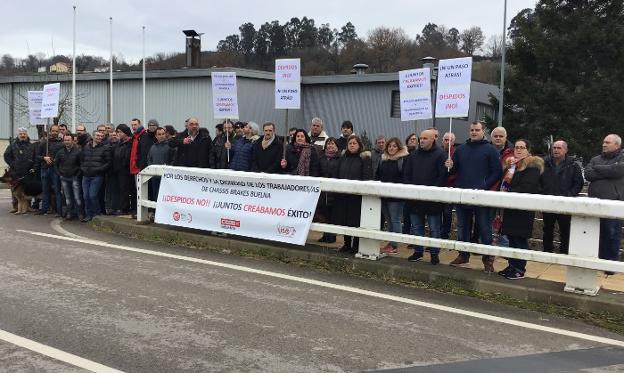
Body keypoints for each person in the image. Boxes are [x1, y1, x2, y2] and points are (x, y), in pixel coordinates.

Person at [445, 121, 502, 272]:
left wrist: (483, 185)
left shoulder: (490, 150)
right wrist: (449, 165)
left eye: (477, 130)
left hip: (481, 196)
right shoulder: (460, 149)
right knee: (463, 227)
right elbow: (454, 170)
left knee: (484, 228)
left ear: (483, 131)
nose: (474, 132)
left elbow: (497, 172)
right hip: (462, 194)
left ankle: (487, 259)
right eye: (472, 130)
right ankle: (463, 255)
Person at [498, 139, 545, 280]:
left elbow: (527, 186)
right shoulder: (513, 166)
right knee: (511, 238)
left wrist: (508, 192)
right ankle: (512, 264)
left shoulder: (532, 166)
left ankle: (520, 268)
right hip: (510, 208)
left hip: (523, 209)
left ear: (528, 150)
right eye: (516, 147)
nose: (518, 150)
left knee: (519, 239)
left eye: (522, 147)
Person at [404, 129, 447, 264]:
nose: (421, 140)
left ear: (433, 139)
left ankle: (434, 254)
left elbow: (442, 176)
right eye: (420, 138)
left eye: (425, 138)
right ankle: (418, 251)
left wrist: (432, 192)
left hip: (433, 199)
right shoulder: (414, 155)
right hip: (415, 198)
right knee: (417, 227)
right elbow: (407, 174)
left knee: (434, 228)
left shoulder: (441, 155)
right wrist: (412, 190)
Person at [585, 134, 624, 265]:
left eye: (607, 142)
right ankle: (596, 261)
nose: (604, 144)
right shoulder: (595, 158)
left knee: (612, 234)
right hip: (594, 204)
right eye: (603, 142)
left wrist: (598, 169)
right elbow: (588, 174)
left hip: (613, 204)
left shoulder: (622, 158)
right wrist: (609, 171)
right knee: (594, 233)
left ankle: (610, 265)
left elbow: (618, 171)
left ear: (617, 145)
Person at [541, 140, 584, 254]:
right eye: (554, 148)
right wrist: (543, 193)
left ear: (565, 150)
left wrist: (569, 196)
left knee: (565, 229)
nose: (555, 150)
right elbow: (539, 181)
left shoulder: (573, 165)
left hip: (566, 203)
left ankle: (565, 253)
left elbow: (578, 183)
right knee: (547, 228)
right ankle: (547, 252)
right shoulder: (544, 163)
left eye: (559, 148)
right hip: (548, 201)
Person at [333, 135, 372, 253]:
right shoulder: (343, 157)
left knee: (356, 221)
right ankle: (346, 244)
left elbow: (367, 176)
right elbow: (337, 173)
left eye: (354, 143)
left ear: (359, 145)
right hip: (344, 194)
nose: (352, 145)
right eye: (350, 143)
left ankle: (356, 245)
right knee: (345, 220)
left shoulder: (364, 158)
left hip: (357, 196)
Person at [375, 137, 409, 254]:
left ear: (398, 147)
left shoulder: (402, 160)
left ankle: (394, 245)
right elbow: (378, 175)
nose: (391, 148)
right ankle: (391, 242)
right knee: (388, 220)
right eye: (389, 146)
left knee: (395, 220)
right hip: (384, 195)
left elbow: (405, 177)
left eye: (394, 146)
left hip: (396, 197)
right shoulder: (383, 159)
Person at [3, 127, 38, 213]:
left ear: (27, 135)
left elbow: (35, 157)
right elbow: (6, 156)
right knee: (15, 189)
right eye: (21, 134)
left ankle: (28, 207)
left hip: (27, 171)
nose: (22, 135)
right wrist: (12, 164)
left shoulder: (31, 146)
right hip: (15, 171)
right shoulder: (12, 145)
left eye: (24, 134)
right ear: (18, 135)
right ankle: (16, 207)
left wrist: (33, 167)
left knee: (27, 189)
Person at [79, 130, 111, 222]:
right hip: (86, 176)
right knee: (85, 196)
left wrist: (98, 169)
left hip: (97, 176)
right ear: (92, 136)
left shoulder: (105, 148)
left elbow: (108, 163)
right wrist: (83, 168)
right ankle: (89, 214)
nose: (99, 137)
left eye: (101, 136)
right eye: (97, 135)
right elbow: (81, 160)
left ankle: (97, 214)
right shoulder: (86, 147)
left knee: (92, 195)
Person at [36, 124, 64, 216]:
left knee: (57, 190)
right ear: (50, 131)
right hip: (44, 169)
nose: (55, 133)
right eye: (53, 131)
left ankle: (59, 210)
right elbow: (37, 156)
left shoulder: (62, 143)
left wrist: (57, 160)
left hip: (55, 170)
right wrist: (44, 158)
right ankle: (44, 209)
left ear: (59, 132)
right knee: (45, 190)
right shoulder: (44, 142)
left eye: (56, 131)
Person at [317, 137, 341, 243]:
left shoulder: (340, 158)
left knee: (333, 214)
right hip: (323, 190)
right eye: (329, 144)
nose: (330, 145)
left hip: (334, 190)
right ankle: (325, 235)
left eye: (332, 144)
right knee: (324, 213)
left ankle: (332, 236)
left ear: (336, 146)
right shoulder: (321, 158)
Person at [55, 134, 83, 221]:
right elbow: (56, 165)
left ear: (72, 141)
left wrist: (77, 174)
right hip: (64, 178)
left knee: (77, 197)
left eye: (68, 140)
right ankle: (69, 213)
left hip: (74, 177)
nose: (67, 142)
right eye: (65, 140)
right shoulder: (60, 152)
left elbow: (81, 164)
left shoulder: (78, 151)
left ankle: (80, 214)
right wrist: (59, 174)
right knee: (67, 198)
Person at [147, 127, 176, 199]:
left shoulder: (170, 146)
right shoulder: (153, 147)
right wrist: (151, 169)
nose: (161, 136)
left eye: (163, 134)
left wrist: (168, 168)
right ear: (156, 136)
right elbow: (149, 159)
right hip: (154, 176)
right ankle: (155, 210)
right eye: (159, 134)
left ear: (165, 134)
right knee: (155, 195)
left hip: (166, 177)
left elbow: (174, 159)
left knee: (165, 197)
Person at [112, 124, 134, 215]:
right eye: (117, 132)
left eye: (120, 132)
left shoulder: (131, 142)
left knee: (129, 190)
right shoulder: (119, 143)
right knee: (122, 190)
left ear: (125, 132)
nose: (118, 134)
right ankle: (123, 207)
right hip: (119, 170)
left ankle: (127, 208)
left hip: (127, 170)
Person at [441, 132, 456, 240]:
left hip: (450, 186)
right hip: (439, 185)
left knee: (447, 212)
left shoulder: (456, 153)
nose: (447, 142)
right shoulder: (439, 152)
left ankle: (445, 233)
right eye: (445, 140)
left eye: (450, 140)